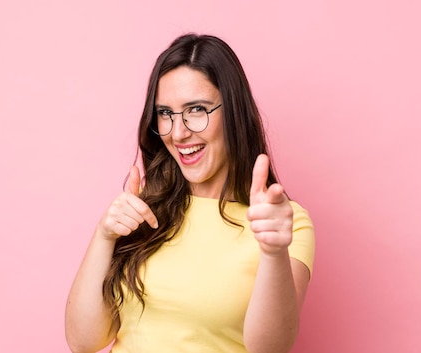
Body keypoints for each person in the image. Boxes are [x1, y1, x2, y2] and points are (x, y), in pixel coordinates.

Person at [65, 33, 315, 353]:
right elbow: (83, 341)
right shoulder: (145, 206)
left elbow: (270, 348)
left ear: (234, 112)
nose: (179, 132)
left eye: (196, 109)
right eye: (166, 113)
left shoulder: (284, 224)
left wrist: (274, 252)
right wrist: (104, 236)